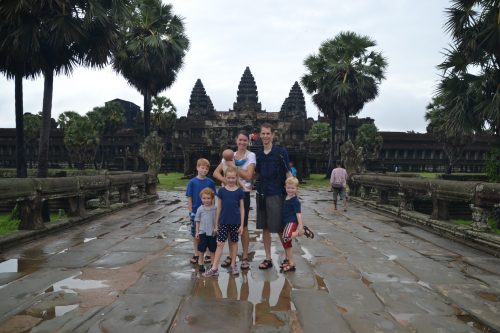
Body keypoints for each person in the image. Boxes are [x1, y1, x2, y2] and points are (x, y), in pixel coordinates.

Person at [213, 130, 256, 270]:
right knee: (229, 224)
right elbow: (215, 173)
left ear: (248, 141)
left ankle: (244, 256)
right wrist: (226, 181)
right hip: (228, 194)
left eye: (245, 140)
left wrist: (234, 168)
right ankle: (232, 256)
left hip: (243, 193)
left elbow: (249, 176)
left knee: (242, 226)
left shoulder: (251, 156)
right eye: (240, 140)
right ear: (236, 140)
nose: (242, 142)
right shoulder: (229, 156)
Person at [255, 123, 291, 270]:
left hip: (276, 194)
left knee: (281, 228)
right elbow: (255, 173)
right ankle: (268, 258)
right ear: (260, 135)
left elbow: (288, 173)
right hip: (261, 193)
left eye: (268, 133)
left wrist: (293, 195)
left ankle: (289, 258)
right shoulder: (258, 154)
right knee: (265, 227)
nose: (265, 136)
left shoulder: (280, 152)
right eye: (263, 133)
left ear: (273, 135)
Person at [204, 166, 245, 277]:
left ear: (236, 178)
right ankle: (214, 268)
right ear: (225, 178)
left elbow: (242, 209)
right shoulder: (221, 191)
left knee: (234, 243)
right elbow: (219, 208)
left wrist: (241, 225)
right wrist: (216, 224)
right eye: (229, 178)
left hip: (235, 222)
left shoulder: (240, 192)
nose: (231, 180)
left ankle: (233, 265)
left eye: (233, 178)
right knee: (220, 244)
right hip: (223, 222)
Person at [186, 158, 216, 265]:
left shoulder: (211, 182)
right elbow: (189, 197)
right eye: (202, 168)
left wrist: (214, 211)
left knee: (209, 233)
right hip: (195, 211)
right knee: (196, 234)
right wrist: (191, 212)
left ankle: (208, 254)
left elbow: (213, 198)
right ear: (197, 168)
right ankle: (196, 253)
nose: (204, 170)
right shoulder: (192, 182)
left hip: (208, 212)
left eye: (206, 168)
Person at [195, 187, 217, 273]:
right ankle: (200, 262)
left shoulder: (215, 208)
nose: (206, 200)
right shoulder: (200, 209)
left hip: (212, 232)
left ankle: (213, 264)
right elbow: (197, 220)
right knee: (201, 249)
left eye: (208, 198)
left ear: (212, 199)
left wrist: (216, 228)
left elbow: (216, 220)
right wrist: (197, 231)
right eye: (204, 198)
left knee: (212, 249)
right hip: (202, 232)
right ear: (201, 198)